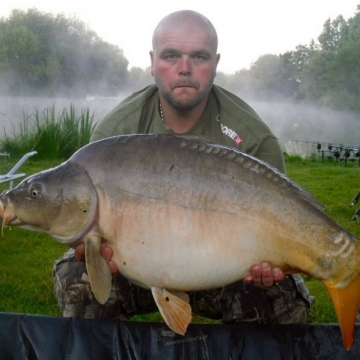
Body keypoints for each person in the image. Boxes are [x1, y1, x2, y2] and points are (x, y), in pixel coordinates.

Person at [53, 10, 313, 324]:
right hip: (135, 266)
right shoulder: (112, 136)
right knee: (77, 278)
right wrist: (92, 247)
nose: (185, 69)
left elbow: (284, 226)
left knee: (281, 301)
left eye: (199, 57)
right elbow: (88, 225)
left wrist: (275, 265)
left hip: (227, 270)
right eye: (171, 55)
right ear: (152, 61)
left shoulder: (254, 139)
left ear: (216, 64)